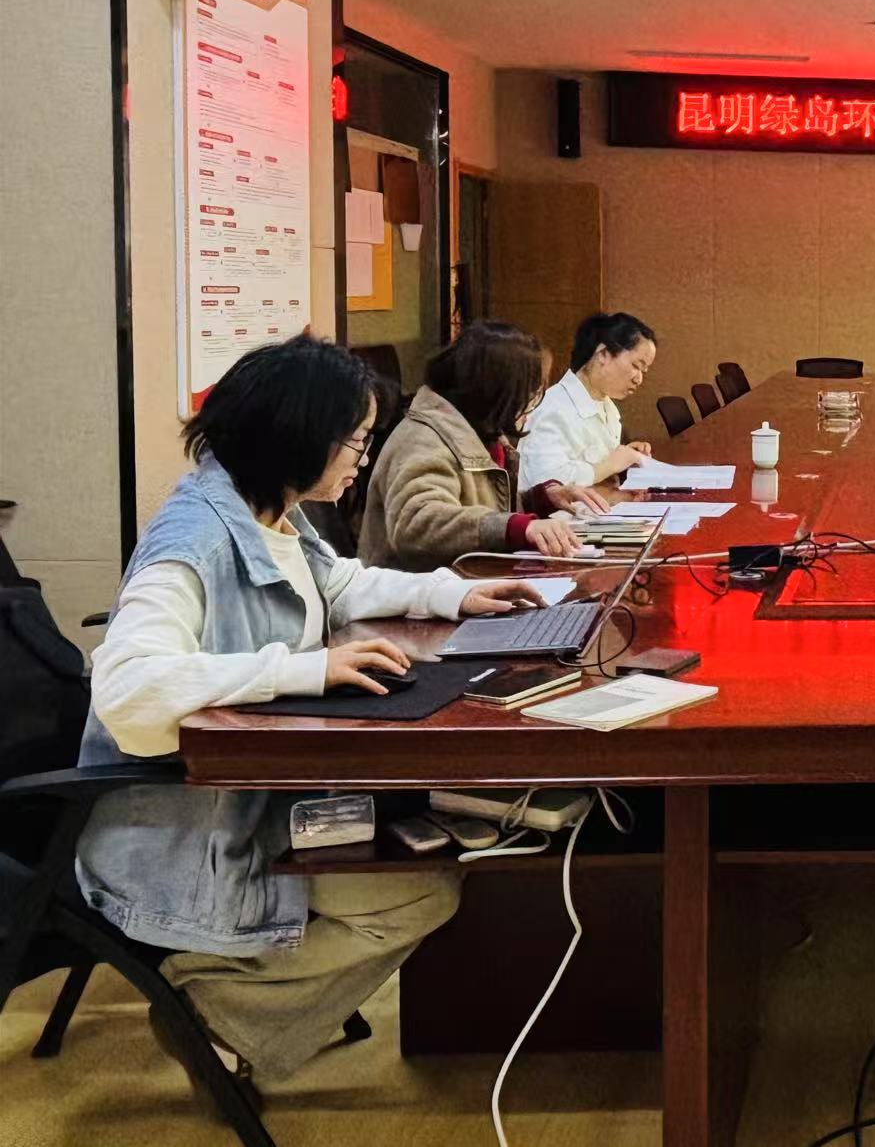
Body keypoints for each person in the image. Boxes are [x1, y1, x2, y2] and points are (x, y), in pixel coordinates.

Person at [73, 335, 546, 1101]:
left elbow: (342, 583)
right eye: (356, 440)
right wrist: (303, 668)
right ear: (299, 435)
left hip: (263, 797)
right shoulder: (192, 538)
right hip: (189, 832)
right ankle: (207, 1008)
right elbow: (126, 689)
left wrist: (456, 595)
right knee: (418, 891)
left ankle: (226, 1019)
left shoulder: (268, 510)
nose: (364, 457)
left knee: (429, 868)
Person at [358, 320, 608, 571]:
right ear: (498, 391)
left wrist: (539, 500)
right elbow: (417, 523)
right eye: (528, 395)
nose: (530, 407)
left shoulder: (482, 432)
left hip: (464, 584)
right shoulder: (422, 438)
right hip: (416, 591)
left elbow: (479, 509)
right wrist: (517, 527)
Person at [518, 311, 658, 491]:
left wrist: (625, 459)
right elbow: (545, 484)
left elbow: (598, 466)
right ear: (603, 354)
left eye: (644, 371)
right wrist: (609, 465)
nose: (639, 379)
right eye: (636, 366)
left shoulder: (607, 405)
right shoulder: (553, 408)